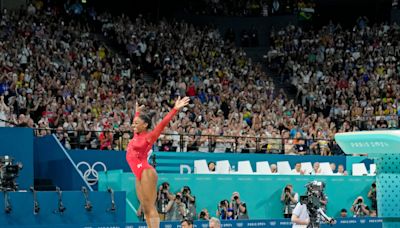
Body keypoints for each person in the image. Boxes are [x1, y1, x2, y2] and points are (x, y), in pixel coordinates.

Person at [126, 97, 190, 228]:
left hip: (146, 171)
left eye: (136, 123)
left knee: (149, 207)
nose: (133, 126)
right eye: (133, 123)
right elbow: (138, 120)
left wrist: (175, 109)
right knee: (144, 206)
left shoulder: (149, 136)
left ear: (145, 125)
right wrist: (137, 112)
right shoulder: (137, 133)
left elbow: (162, 125)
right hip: (138, 172)